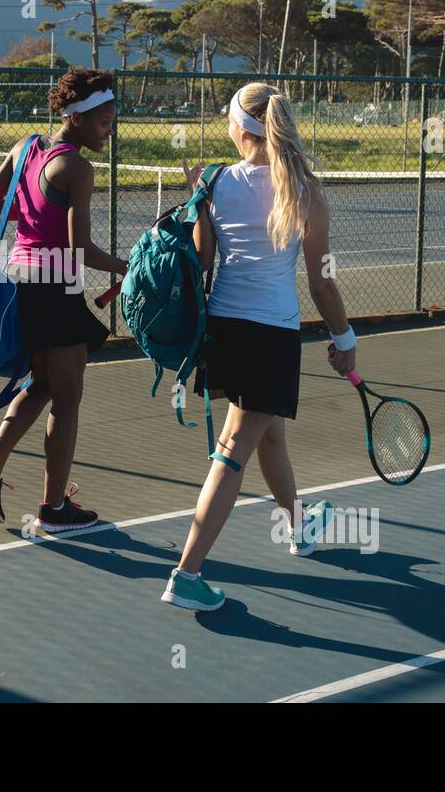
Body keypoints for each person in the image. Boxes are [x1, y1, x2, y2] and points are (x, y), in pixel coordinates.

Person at [161, 82, 356, 611]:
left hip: (225, 332)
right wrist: (345, 339)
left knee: (270, 437)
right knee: (232, 451)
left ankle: (298, 527)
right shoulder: (307, 192)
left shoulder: (215, 181)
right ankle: (187, 573)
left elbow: (203, 262)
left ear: (239, 128)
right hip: (271, 336)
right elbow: (322, 283)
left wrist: (199, 199)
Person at [0, 68, 128, 533]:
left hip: (21, 281)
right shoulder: (76, 168)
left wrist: (36, 214)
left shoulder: (26, 146)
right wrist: (130, 266)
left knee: (42, 386)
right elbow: (81, 250)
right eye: (103, 122)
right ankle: (54, 509)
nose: (109, 130)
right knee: (67, 399)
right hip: (56, 288)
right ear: (77, 118)